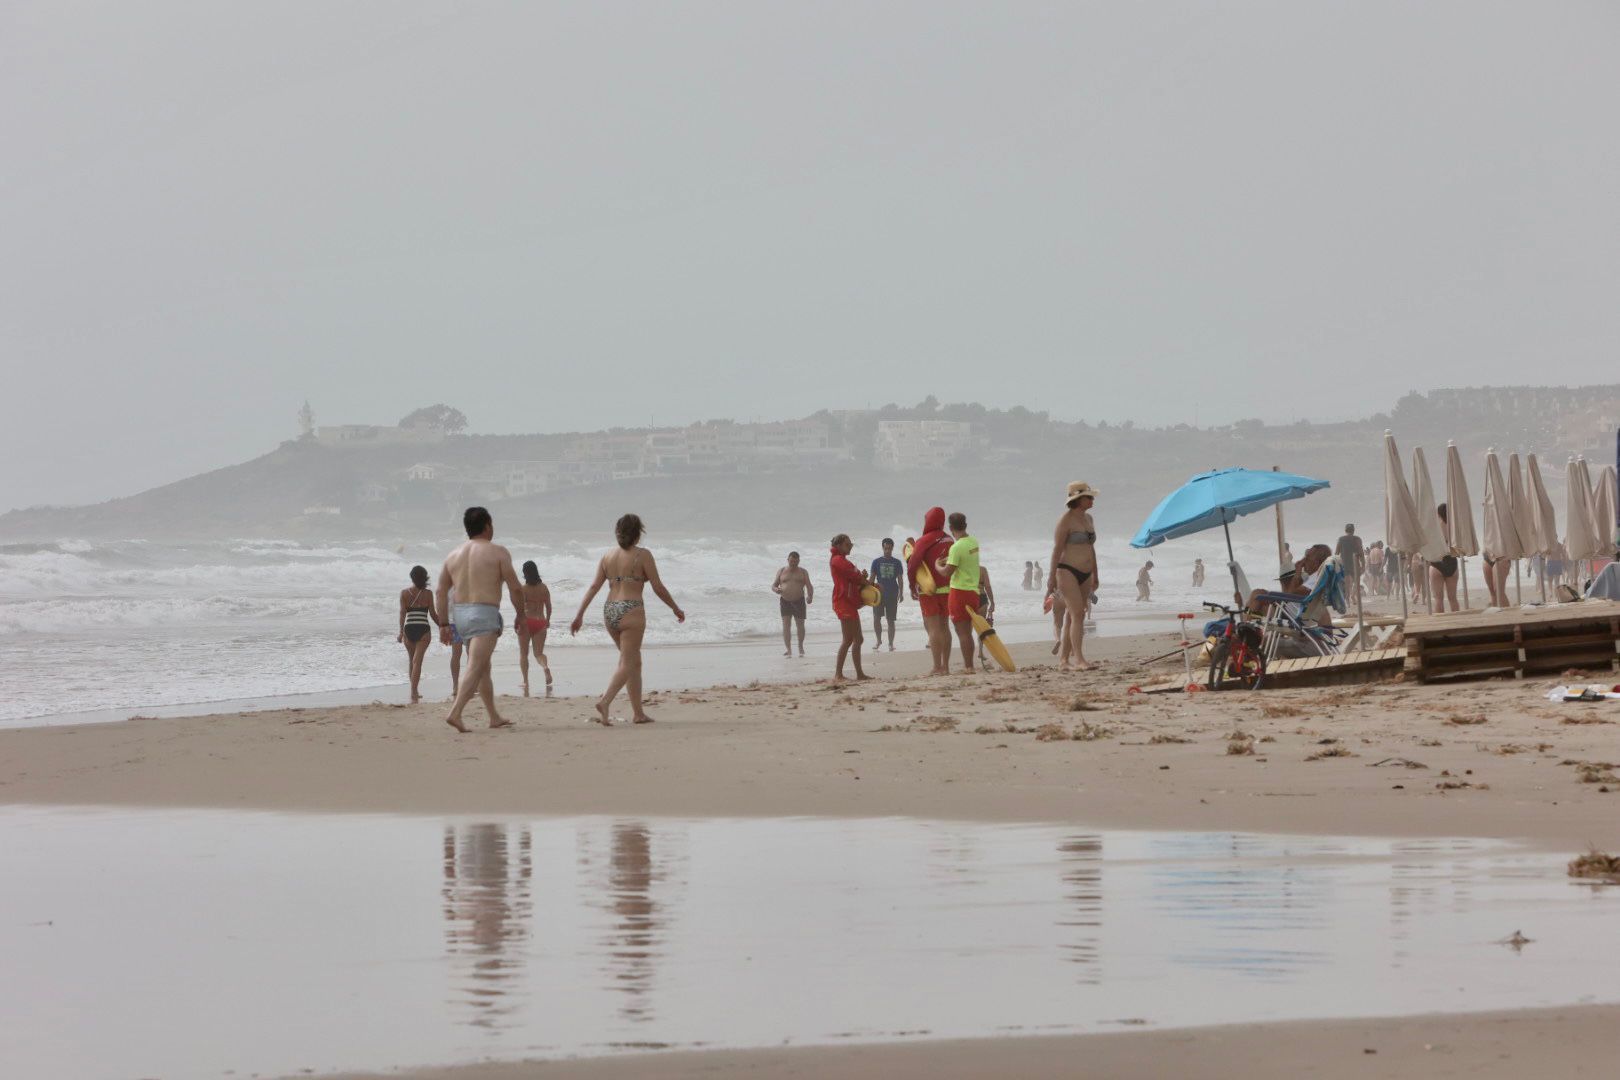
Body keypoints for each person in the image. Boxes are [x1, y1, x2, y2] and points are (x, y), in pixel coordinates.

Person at [569, 513, 685, 726]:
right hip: (631, 609)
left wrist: (579, 615)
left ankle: (638, 713)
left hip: (610, 610)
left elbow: (594, 586)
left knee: (633, 662)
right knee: (629, 662)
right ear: (638, 534)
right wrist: (675, 608)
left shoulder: (607, 556)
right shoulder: (643, 555)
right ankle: (605, 701)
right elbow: (658, 586)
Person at [436, 507, 525, 733]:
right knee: (475, 666)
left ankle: (494, 717)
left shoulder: (453, 555)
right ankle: (455, 713)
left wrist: (444, 624)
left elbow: (440, 591)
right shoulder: (498, 552)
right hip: (483, 613)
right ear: (487, 525)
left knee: (483, 667)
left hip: (461, 615)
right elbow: (515, 587)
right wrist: (521, 614)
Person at [1047, 481, 1099, 671]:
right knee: (1078, 613)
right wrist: (1051, 577)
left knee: (1073, 616)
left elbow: (1091, 548)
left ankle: (1063, 661)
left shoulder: (1089, 519)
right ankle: (1079, 659)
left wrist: (1095, 573)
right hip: (1067, 570)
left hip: (1086, 573)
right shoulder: (1066, 520)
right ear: (1078, 499)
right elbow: (1057, 549)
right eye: (1089, 497)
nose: (1092, 499)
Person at [908, 507, 955, 674]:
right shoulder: (949, 539)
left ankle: (937, 667)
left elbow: (913, 564)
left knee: (933, 628)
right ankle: (946, 667)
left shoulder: (924, 540)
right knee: (945, 627)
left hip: (929, 591)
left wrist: (911, 584)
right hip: (948, 589)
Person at [942, 512, 983, 675]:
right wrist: (950, 559)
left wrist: (938, 565)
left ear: (951, 528)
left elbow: (947, 572)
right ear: (965, 525)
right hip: (973, 592)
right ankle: (969, 665)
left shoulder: (956, 547)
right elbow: (963, 561)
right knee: (968, 631)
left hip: (959, 592)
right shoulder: (973, 542)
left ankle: (969, 667)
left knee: (962, 632)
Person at [828, 534, 871, 681]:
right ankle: (838, 674)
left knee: (858, 639)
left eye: (851, 544)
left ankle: (859, 674)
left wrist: (862, 578)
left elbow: (855, 578)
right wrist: (865, 580)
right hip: (842, 602)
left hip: (849, 603)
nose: (850, 546)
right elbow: (854, 576)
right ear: (838, 546)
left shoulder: (842, 560)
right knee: (848, 639)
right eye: (847, 544)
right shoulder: (837, 560)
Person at [397, 565, 440, 704]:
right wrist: (443, 626)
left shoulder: (404, 593)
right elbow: (433, 614)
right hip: (423, 629)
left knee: (412, 661)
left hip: (409, 629)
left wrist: (400, 632)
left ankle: (413, 691)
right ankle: (414, 691)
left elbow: (402, 613)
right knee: (417, 662)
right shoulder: (428, 594)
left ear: (412, 577)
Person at [516, 560, 553, 696]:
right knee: (538, 653)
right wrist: (548, 620)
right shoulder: (544, 588)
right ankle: (545, 667)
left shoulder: (523, 589)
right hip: (540, 621)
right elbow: (549, 606)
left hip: (526, 622)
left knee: (523, 654)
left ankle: (525, 681)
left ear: (525, 574)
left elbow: (520, 608)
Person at [772, 552, 813, 657]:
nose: (793, 563)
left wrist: (810, 596)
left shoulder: (803, 572)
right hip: (785, 601)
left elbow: (809, 586)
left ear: (798, 561)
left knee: (800, 625)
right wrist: (776, 589)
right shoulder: (781, 571)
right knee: (786, 625)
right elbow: (774, 585)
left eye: (795, 561)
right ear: (788, 560)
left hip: (799, 600)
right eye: (791, 561)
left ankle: (800, 646)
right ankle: (789, 649)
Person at [869, 538, 905, 651]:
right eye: (885, 548)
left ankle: (890, 644)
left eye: (889, 548)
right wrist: (868, 592)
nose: (887, 551)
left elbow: (900, 579)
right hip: (878, 595)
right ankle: (878, 640)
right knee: (876, 618)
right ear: (882, 548)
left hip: (892, 594)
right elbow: (872, 579)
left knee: (890, 620)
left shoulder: (897, 562)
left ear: (892, 548)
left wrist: (901, 593)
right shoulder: (876, 562)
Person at [1427, 504, 1461, 613]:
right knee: (1453, 598)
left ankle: (1439, 626)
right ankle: (1457, 624)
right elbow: (1457, 549)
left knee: (1438, 599)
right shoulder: (1453, 528)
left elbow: (1429, 546)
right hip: (1451, 562)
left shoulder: (1434, 528)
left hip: (1437, 563)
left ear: (1438, 514)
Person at [1335, 525, 1364, 603]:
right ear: (1353, 530)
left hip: (1344, 564)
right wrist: (1363, 565)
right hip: (1355, 563)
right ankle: (1353, 596)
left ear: (1345, 530)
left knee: (1347, 584)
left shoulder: (1341, 539)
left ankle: (1347, 600)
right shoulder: (1357, 539)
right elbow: (1361, 553)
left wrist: (1336, 565)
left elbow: (1336, 553)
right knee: (1357, 582)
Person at [975, 566, 997, 668]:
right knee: (981, 627)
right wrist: (992, 602)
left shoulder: (963, 568)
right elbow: (987, 586)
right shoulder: (982, 569)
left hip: (967, 597)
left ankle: (968, 658)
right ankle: (980, 651)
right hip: (981, 598)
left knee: (966, 629)